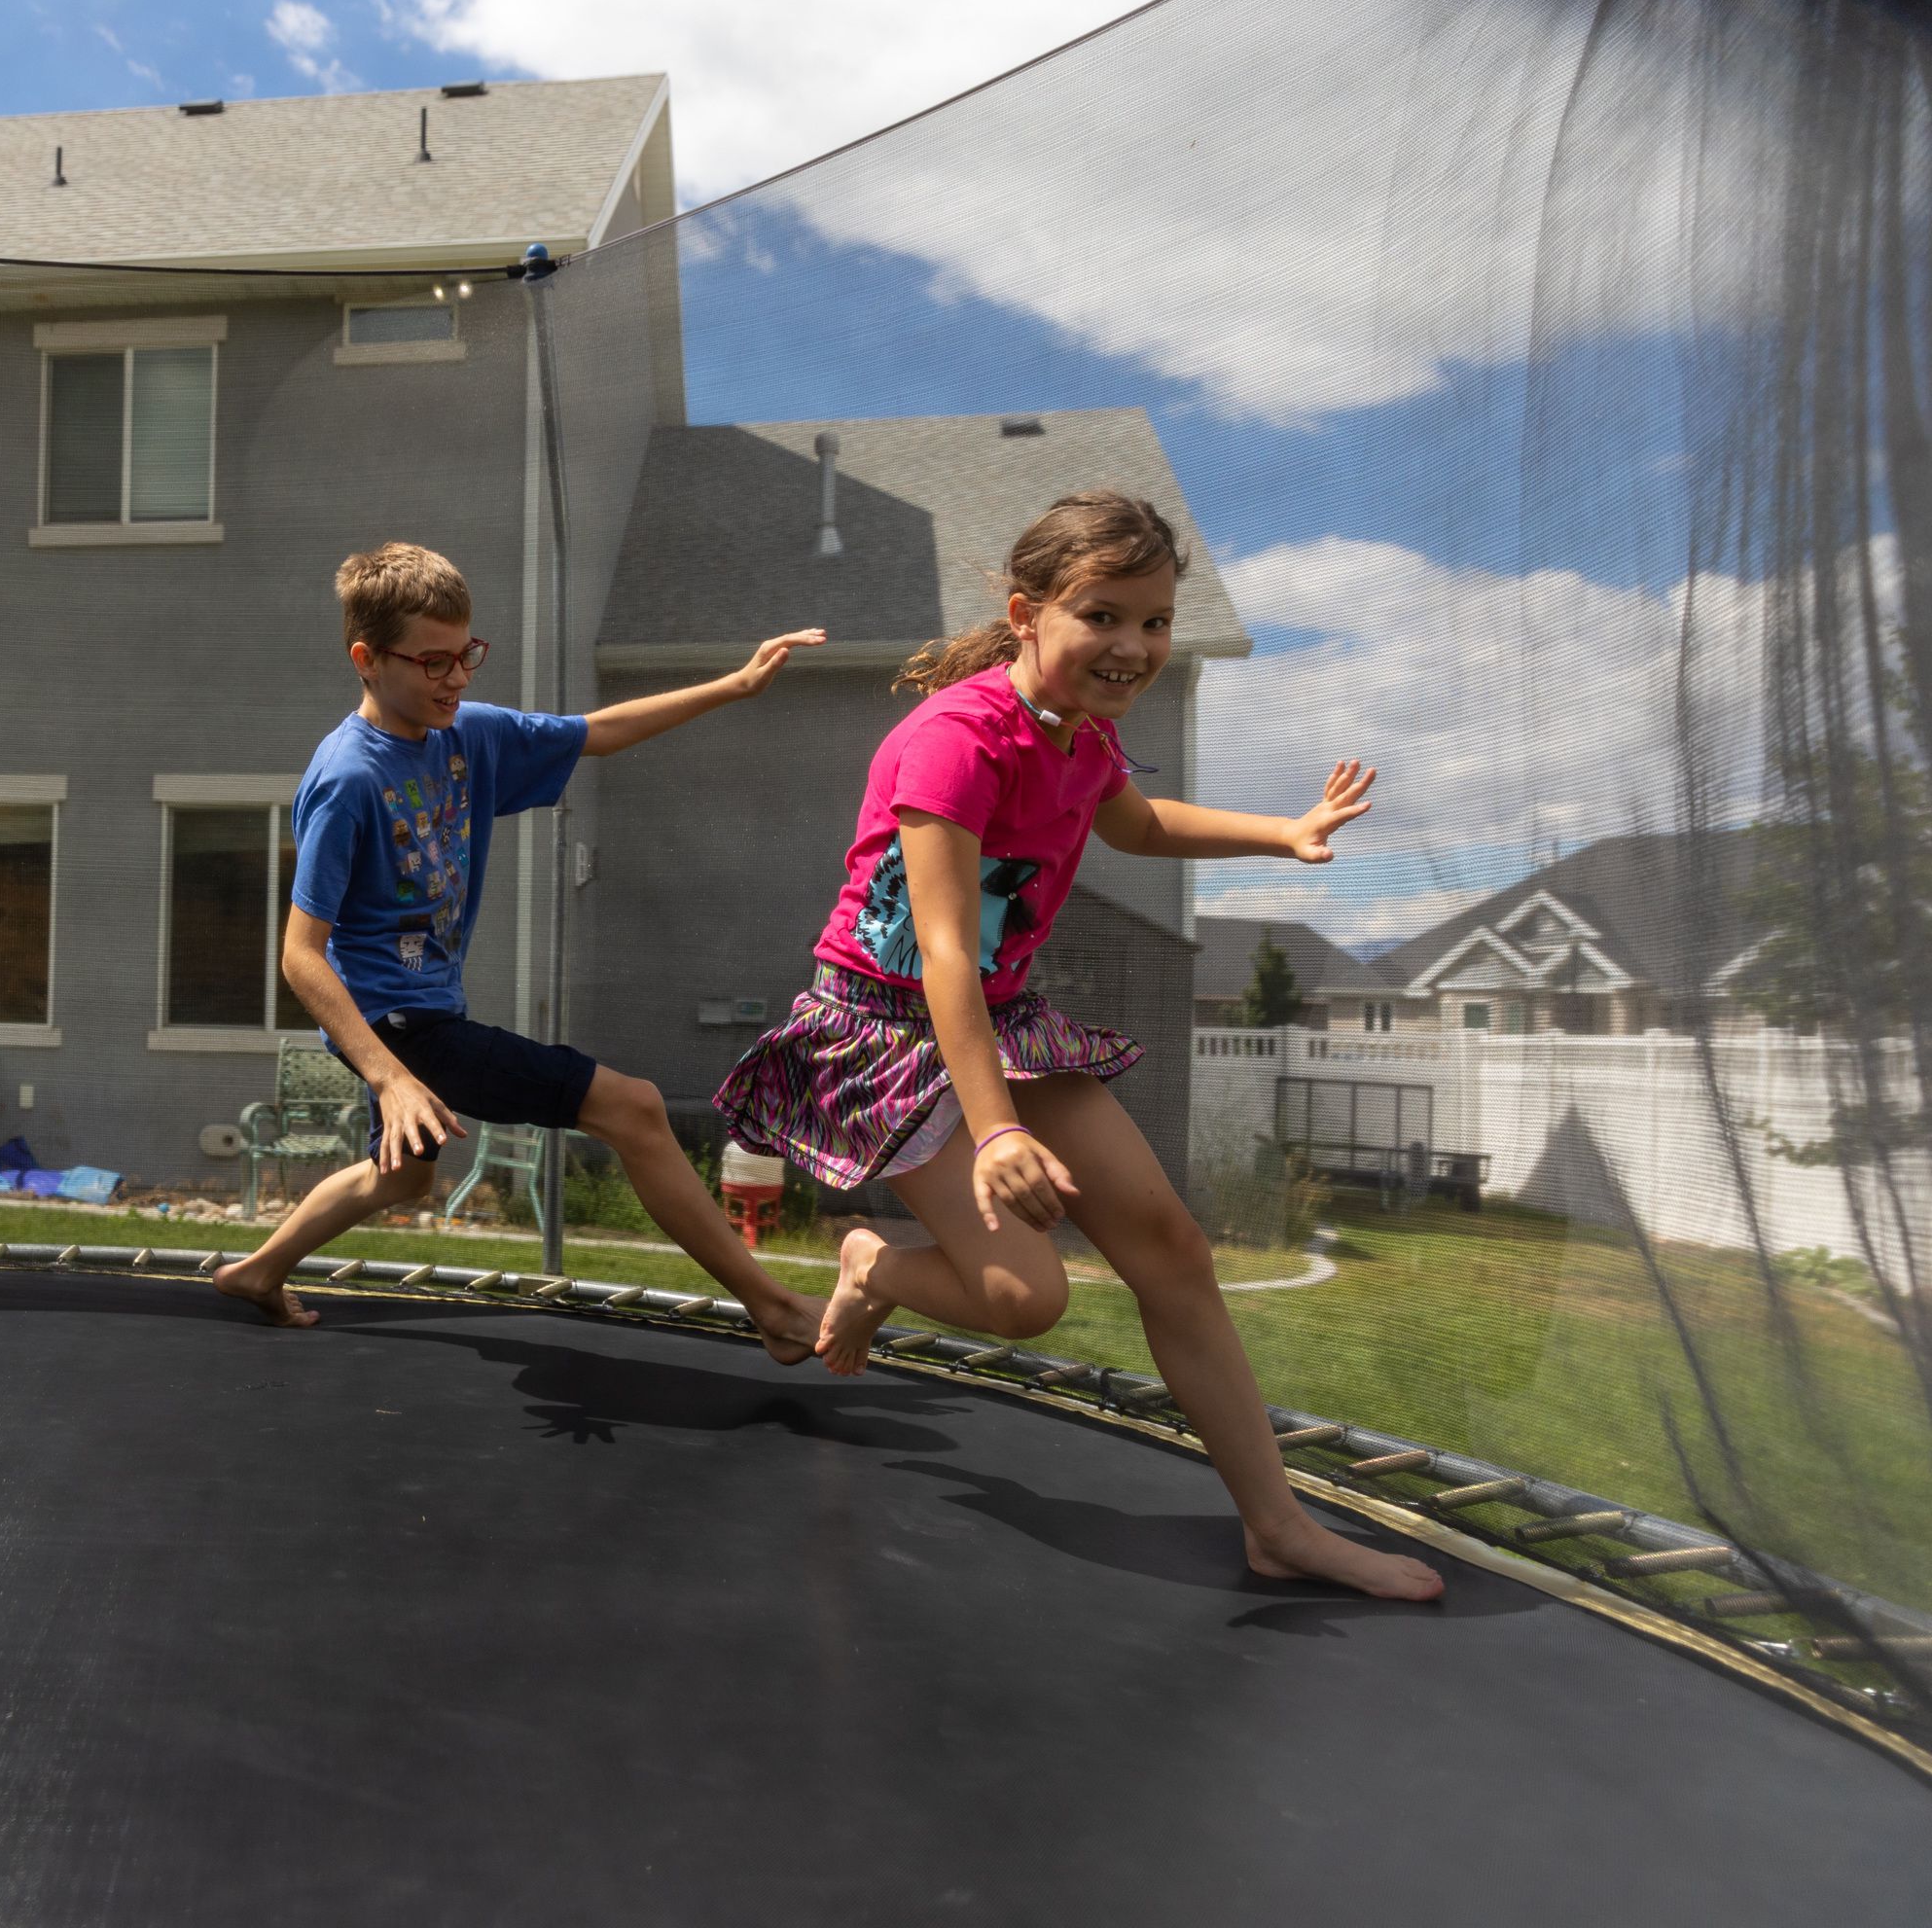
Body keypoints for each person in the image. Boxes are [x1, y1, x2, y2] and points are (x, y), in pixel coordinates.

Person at [715, 491, 1443, 1600]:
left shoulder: (1082, 736)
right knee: (1023, 1297)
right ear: (1027, 614)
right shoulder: (954, 742)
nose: (1134, 646)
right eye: (1103, 615)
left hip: (1002, 1024)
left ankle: (1277, 1525)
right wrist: (996, 1128)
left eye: (1154, 622)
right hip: (886, 1036)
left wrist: (1280, 831)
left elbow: (1138, 824)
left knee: (1172, 1248)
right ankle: (875, 1263)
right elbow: (945, 955)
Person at [212, 541, 830, 1363]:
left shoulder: (466, 735)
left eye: (466, 654)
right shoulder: (347, 781)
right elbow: (300, 954)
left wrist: (735, 684)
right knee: (635, 1108)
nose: (456, 678)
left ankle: (258, 1271)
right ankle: (777, 1310)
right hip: (398, 1028)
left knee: (402, 1178)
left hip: (425, 1013)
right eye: (432, 661)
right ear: (366, 659)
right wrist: (392, 1077)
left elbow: (597, 733)